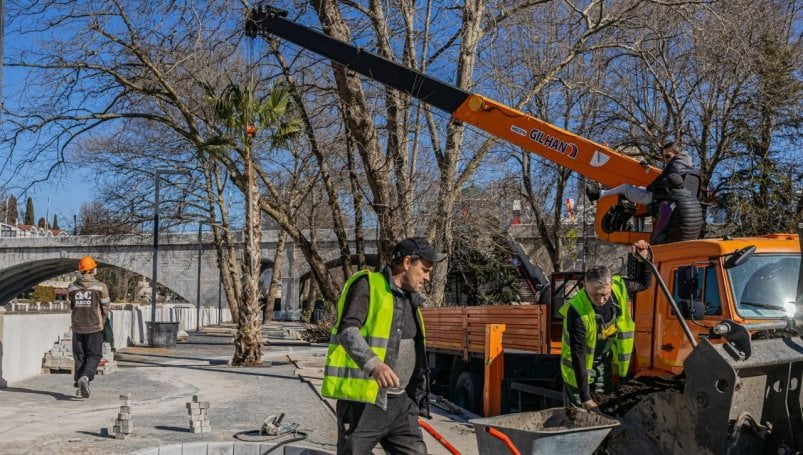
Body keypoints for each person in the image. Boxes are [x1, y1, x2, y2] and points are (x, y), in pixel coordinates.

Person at [322, 237, 446, 454]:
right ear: (407, 263)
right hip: (366, 404)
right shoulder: (368, 285)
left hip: (401, 405)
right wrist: (374, 365)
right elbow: (347, 331)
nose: (427, 277)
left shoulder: (410, 300)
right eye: (424, 270)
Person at [560, 241, 652, 411]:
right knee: (580, 417)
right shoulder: (577, 312)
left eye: (604, 294)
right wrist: (585, 398)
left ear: (610, 285)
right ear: (585, 287)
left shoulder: (619, 287)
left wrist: (643, 260)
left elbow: (644, 283)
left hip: (604, 366)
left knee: (605, 411)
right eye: (594, 295)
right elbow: (578, 357)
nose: (600, 300)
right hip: (577, 375)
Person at [586, 142, 694, 205]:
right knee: (638, 187)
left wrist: (649, 187)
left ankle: (597, 195)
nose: (665, 160)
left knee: (625, 187)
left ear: (677, 154)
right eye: (664, 157)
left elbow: (661, 180)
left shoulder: (674, 166)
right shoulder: (687, 165)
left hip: (656, 198)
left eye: (667, 156)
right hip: (664, 197)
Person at [67, 255, 111, 399]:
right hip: (94, 327)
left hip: (77, 327)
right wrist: (102, 322)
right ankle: (85, 378)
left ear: (80, 271)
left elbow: (71, 306)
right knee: (95, 356)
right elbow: (105, 307)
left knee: (79, 357)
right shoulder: (101, 287)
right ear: (93, 270)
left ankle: (79, 386)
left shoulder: (72, 287)